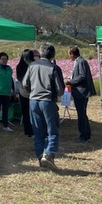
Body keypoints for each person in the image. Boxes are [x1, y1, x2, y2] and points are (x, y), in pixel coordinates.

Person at [22, 43, 65, 172]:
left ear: (40, 53)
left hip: (33, 100)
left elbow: (24, 83)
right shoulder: (54, 67)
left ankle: (40, 158)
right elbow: (60, 90)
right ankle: (49, 154)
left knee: (38, 131)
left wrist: (33, 91)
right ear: (53, 55)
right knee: (52, 130)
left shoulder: (31, 66)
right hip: (47, 101)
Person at [65, 46, 97, 143]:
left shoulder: (81, 62)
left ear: (72, 54)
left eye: (69, 54)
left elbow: (82, 77)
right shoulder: (79, 61)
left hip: (81, 92)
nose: (69, 56)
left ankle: (84, 135)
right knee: (82, 113)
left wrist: (70, 82)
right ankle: (86, 133)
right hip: (78, 91)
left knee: (81, 114)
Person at [14, 49, 35, 137]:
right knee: (32, 112)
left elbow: (19, 79)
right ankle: (32, 131)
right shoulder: (33, 65)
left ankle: (28, 132)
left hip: (23, 91)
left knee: (26, 112)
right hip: (31, 91)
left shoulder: (19, 66)